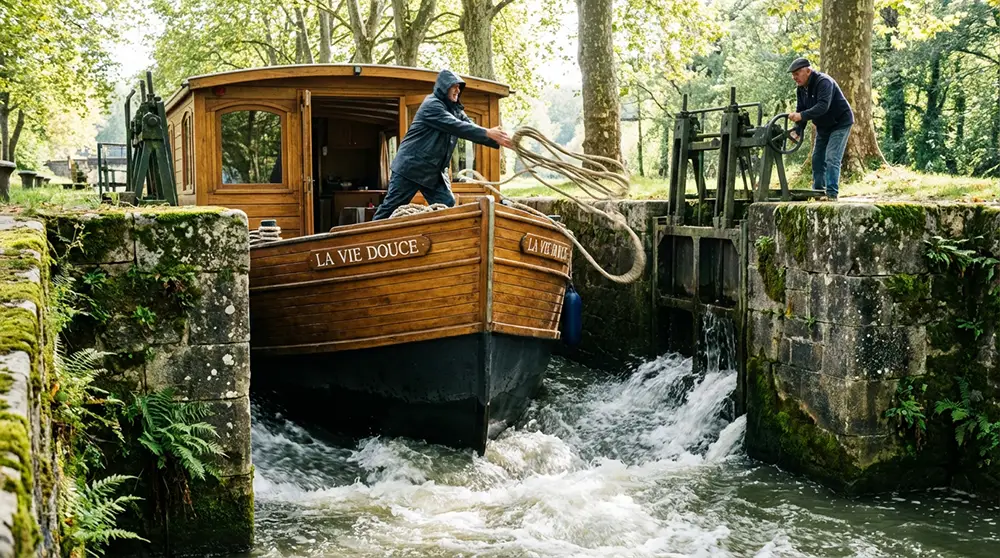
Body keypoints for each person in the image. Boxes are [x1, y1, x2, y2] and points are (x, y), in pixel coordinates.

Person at [373, 69, 513, 220]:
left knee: (447, 205)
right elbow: (456, 126)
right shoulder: (432, 105)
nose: (458, 90)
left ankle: (447, 241)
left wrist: (503, 140)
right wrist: (488, 132)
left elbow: (470, 127)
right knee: (391, 208)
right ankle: (368, 239)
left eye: (459, 87)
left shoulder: (455, 109)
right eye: (454, 86)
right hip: (410, 168)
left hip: (434, 171)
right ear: (444, 87)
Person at [787, 58, 854, 201]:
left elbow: (823, 106)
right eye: (793, 74)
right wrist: (797, 130)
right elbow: (801, 110)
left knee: (832, 157)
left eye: (797, 73)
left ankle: (831, 194)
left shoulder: (824, 82)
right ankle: (818, 193)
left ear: (808, 71)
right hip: (823, 125)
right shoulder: (801, 89)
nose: (795, 77)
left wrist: (800, 116)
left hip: (840, 122)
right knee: (817, 158)